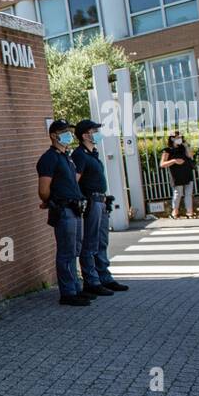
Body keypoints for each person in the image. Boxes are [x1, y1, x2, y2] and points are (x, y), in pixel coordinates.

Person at [37, 119, 92, 306]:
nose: (68, 134)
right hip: (64, 210)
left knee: (75, 249)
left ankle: (75, 288)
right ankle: (68, 293)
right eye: (64, 131)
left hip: (75, 209)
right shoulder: (49, 158)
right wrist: (49, 201)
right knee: (66, 252)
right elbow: (44, 188)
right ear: (54, 135)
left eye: (69, 131)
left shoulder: (66, 156)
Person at [71, 120, 129, 295]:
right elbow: (74, 181)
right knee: (90, 242)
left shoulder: (92, 153)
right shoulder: (80, 155)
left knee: (101, 241)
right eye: (94, 130)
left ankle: (104, 277)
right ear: (85, 135)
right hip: (91, 202)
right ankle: (92, 281)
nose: (97, 132)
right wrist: (83, 200)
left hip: (100, 201)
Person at [159, 131, 196, 218]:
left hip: (187, 172)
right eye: (177, 137)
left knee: (189, 193)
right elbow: (162, 164)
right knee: (178, 193)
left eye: (180, 137)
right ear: (172, 139)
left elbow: (190, 156)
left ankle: (189, 213)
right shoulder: (167, 150)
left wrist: (186, 146)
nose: (180, 139)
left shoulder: (183, 147)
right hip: (176, 174)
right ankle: (174, 213)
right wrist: (174, 161)